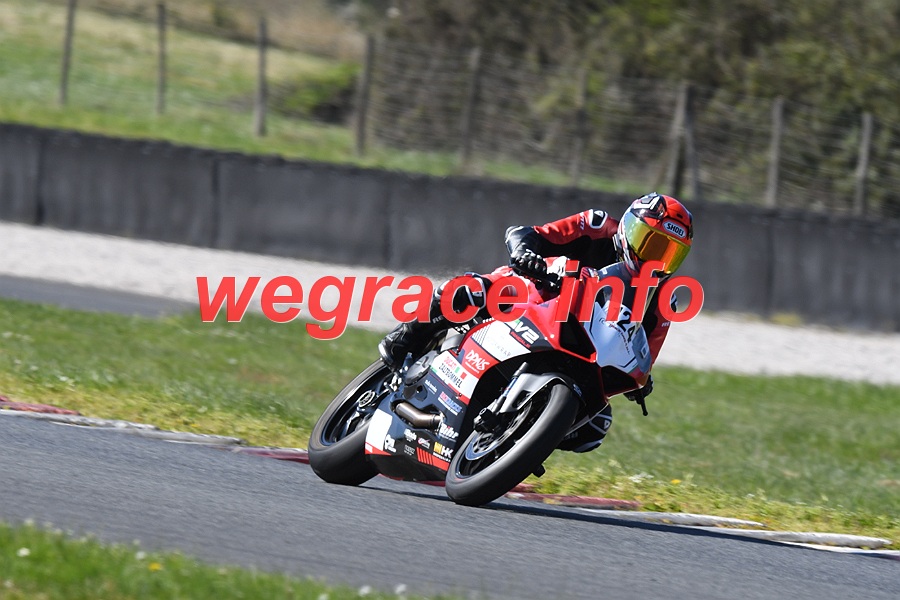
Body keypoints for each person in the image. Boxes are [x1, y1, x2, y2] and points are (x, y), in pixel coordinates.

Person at [378, 192, 694, 453]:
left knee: (595, 426)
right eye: (652, 244)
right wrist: (525, 253)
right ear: (630, 228)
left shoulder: (662, 298)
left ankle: (517, 441)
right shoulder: (597, 225)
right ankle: (406, 336)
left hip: (581, 348)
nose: (656, 259)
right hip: (535, 293)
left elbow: (645, 348)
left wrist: (640, 380)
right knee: (468, 292)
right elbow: (528, 233)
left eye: (669, 254)